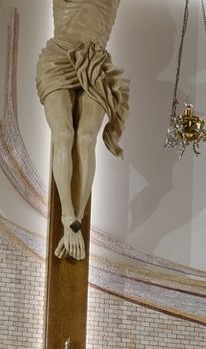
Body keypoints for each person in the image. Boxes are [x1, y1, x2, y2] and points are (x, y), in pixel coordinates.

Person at [35, 0, 129, 261]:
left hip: (95, 63)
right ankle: (67, 216)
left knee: (86, 138)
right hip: (58, 59)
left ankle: (76, 221)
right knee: (64, 134)